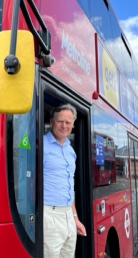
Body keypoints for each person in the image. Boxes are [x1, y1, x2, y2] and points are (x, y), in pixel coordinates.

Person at [44, 104, 86, 258]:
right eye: (60, 121)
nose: (64, 126)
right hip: (48, 214)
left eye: (68, 122)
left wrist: (75, 218)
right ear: (51, 121)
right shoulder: (41, 146)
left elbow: (68, 187)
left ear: (73, 125)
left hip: (68, 214)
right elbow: (29, 184)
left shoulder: (70, 150)